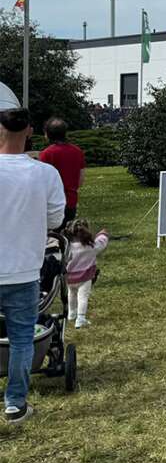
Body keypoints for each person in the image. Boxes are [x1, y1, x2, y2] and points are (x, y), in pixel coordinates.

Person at [0, 108, 66, 424]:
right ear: (29, 132)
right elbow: (56, 220)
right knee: (22, 338)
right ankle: (15, 403)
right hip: (23, 268)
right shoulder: (44, 173)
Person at [38, 118, 84, 227]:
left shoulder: (46, 154)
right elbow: (81, 179)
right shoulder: (77, 151)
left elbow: (42, 180)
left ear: (48, 134)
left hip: (52, 202)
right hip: (71, 201)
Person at [64, 218, 109, 328]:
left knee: (71, 294)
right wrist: (103, 233)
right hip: (84, 278)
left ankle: (71, 313)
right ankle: (80, 319)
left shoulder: (68, 247)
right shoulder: (91, 246)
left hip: (69, 278)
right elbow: (102, 242)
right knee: (82, 297)